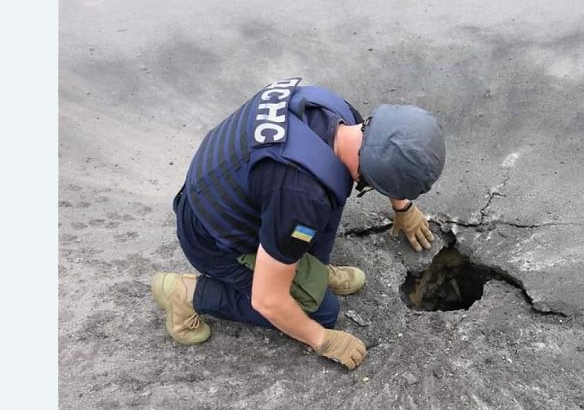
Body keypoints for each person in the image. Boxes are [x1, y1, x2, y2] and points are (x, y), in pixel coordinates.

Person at [150, 78, 445, 371]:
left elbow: (379, 152)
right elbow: (268, 300)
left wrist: (403, 206)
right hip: (211, 238)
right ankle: (187, 294)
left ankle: (307, 269)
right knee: (321, 314)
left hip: (231, 188)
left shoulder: (341, 115)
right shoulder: (300, 196)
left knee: (331, 185)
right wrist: (321, 340)